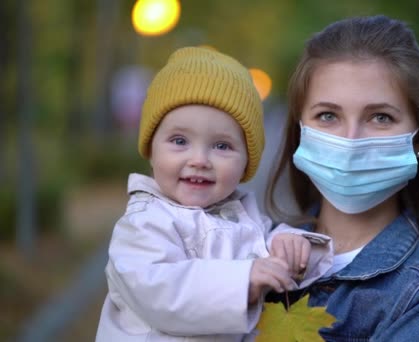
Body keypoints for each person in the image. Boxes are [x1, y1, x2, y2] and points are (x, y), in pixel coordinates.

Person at [266, 15, 419, 341]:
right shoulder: (248, 246)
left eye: (380, 117)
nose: (351, 140)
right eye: (328, 116)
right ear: (300, 131)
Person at [96, 46, 332, 342]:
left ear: (247, 161)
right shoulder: (144, 224)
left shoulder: (242, 217)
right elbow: (161, 291)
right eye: (179, 140)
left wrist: (288, 245)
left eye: (221, 146)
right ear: (150, 150)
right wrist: (244, 280)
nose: (200, 160)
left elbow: (258, 251)